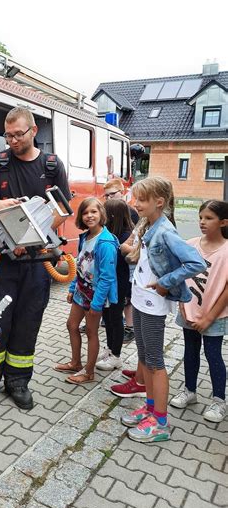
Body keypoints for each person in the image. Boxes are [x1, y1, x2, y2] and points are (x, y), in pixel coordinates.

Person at [0, 106, 71, 410]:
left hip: (37, 263)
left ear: (34, 131)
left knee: (28, 323)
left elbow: (62, 211)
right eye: (7, 135)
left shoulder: (51, 166)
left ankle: (18, 381)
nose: (11, 140)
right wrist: (0, 204)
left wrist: (30, 238)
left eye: (18, 134)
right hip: (2, 263)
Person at [119, 177, 206, 442]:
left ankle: (160, 423)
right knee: (144, 358)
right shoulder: (149, 224)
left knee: (155, 363)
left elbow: (196, 263)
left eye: (142, 200)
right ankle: (149, 408)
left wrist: (166, 283)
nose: (136, 204)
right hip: (141, 298)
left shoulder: (166, 231)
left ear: (159, 202)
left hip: (154, 303)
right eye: (135, 199)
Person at [170, 200, 228, 422]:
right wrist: (182, 305)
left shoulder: (226, 250)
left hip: (214, 315)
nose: (202, 222)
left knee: (213, 354)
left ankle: (219, 401)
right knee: (190, 351)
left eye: (209, 218)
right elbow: (181, 278)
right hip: (189, 311)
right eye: (201, 217)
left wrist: (209, 317)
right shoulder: (190, 245)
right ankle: (189, 391)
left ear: (223, 222)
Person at [55, 197, 119, 384]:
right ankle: (76, 363)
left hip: (95, 297)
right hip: (80, 292)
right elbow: (81, 265)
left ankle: (89, 372)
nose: (89, 216)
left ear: (101, 214)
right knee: (71, 325)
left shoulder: (105, 243)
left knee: (91, 332)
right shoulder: (86, 237)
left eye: (93, 212)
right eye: (85, 213)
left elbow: (107, 277)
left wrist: (97, 304)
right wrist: (72, 287)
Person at [96, 199, 134, 371]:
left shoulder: (126, 235)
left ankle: (116, 355)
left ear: (112, 215)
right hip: (108, 284)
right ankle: (110, 349)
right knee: (108, 318)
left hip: (118, 285)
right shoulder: (111, 232)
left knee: (116, 318)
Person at [103, 178, 139, 343]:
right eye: (107, 195)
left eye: (113, 194)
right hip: (114, 262)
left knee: (127, 297)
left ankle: (129, 327)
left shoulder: (131, 211)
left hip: (125, 263)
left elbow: (135, 236)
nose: (110, 198)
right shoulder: (108, 210)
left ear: (122, 192)